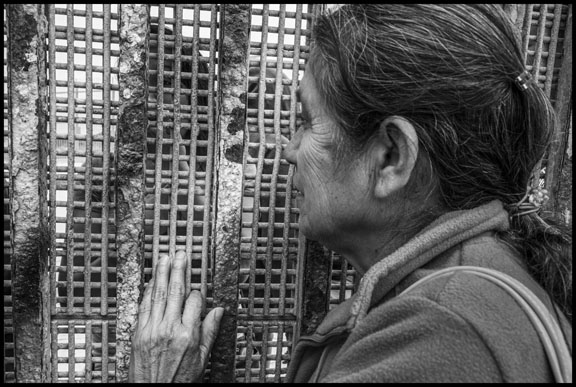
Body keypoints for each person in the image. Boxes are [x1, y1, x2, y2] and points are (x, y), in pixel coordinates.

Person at [128, 4, 572, 383]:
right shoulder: (467, 285)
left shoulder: (441, 332)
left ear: (391, 157)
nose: (287, 150)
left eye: (306, 120)